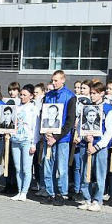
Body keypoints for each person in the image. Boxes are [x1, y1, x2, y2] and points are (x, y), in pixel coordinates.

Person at [40, 70, 77, 204]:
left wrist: (56, 137)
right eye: (52, 80)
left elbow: (70, 120)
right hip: (48, 137)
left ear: (63, 80)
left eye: (56, 80)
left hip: (62, 139)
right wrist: (45, 133)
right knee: (48, 166)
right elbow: (43, 115)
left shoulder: (70, 96)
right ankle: (50, 193)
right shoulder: (48, 96)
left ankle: (61, 193)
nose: (54, 83)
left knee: (61, 168)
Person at [78, 82, 112, 213]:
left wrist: (97, 146)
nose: (91, 96)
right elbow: (80, 127)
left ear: (102, 93)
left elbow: (109, 132)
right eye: (91, 93)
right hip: (87, 145)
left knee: (99, 174)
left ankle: (97, 200)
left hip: (100, 147)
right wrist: (85, 137)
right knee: (84, 173)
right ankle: (87, 198)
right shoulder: (86, 108)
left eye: (94, 93)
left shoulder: (109, 109)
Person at [11, 85, 38, 201]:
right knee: (18, 168)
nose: (22, 97)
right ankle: (19, 190)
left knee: (26, 168)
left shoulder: (33, 109)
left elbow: (35, 128)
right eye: (21, 94)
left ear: (31, 96)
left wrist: (34, 144)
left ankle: (24, 192)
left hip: (27, 140)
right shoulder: (16, 107)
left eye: (24, 95)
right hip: (15, 140)